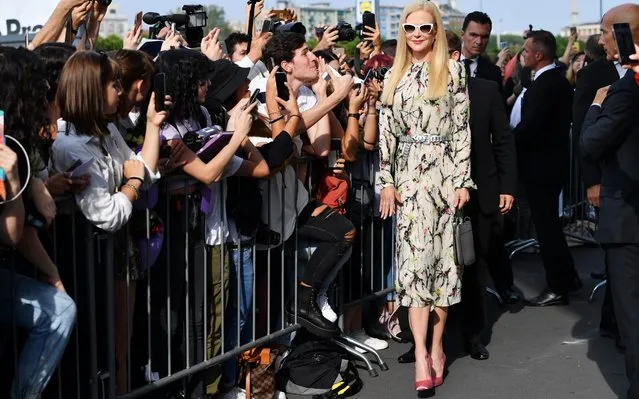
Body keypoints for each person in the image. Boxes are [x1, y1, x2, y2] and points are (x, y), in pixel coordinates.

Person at [377, 0, 473, 391]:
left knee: (444, 270)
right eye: (410, 28)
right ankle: (420, 353)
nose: (417, 35)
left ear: (436, 31)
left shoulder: (452, 70)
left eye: (425, 28)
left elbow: (462, 130)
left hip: (445, 178)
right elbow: (386, 133)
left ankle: (437, 347)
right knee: (414, 271)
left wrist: (462, 180)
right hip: (409, 183)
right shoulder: (392, 74)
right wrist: (386, 181)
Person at [446, 30, 519, 360]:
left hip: (481, 193)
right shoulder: (421, 95)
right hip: (436, 194)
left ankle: (473, 336)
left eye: (449, 53)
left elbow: (503, 141)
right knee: (435, 268)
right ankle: (428, 341)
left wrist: (507, 187)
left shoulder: (487, 90)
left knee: (473, 268)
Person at [573, 4, 639, 346]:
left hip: (627, 207)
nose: (600, 40)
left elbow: (588, 139)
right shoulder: (597, 73)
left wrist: (598, 107)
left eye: (603, 32)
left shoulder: (627, 84)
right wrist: (591, 181)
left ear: (622, 33)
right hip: (613, 189)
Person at [511, 31, 582, 306]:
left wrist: (503, 144)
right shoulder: (553, 81)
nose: (523, 54)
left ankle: (557, 285)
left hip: (542, 168)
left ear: (539, 55)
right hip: (549, 166)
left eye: (526, 50)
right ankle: (569, 276)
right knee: (550, 226)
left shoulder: (548, 85)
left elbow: (530, 127)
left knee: (547, 229)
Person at [460, 11, 504, 93]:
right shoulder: (443, 63)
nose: (479, 41)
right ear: (462, 35)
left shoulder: (493, 73)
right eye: (474, 35)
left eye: (484, 37)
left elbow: (498, 104)